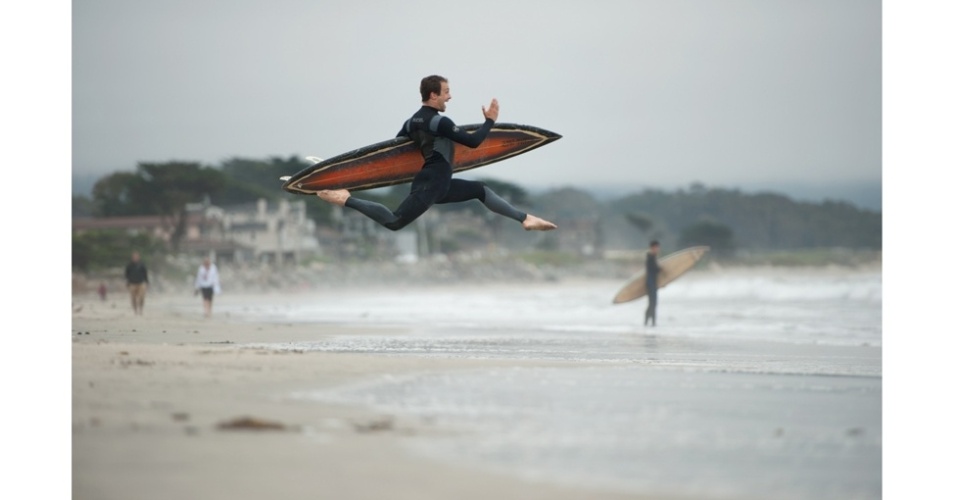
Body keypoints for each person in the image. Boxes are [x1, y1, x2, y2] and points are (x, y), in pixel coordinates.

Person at [315, 75, 557, 232]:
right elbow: (473, 142)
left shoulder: (411, 122)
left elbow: (398, 150)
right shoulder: (439, 122)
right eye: (446, 92)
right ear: (433, 95)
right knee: (394, 221)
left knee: (480, 190)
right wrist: (489, 122)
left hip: (436, 182)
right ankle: (345, 199)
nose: (449, 96)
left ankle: (524, 218)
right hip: (433, 183)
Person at [644, 240, 662, 326]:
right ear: (653, 247)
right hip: (651, 283)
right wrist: (661, 269)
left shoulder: (651, 257)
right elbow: (655, 270)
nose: (658, 249)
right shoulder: (651, 257)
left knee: (653, 304)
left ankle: (649, 322)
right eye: (657, 247)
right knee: (653, 304)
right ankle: (650, 323)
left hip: (652, 283)